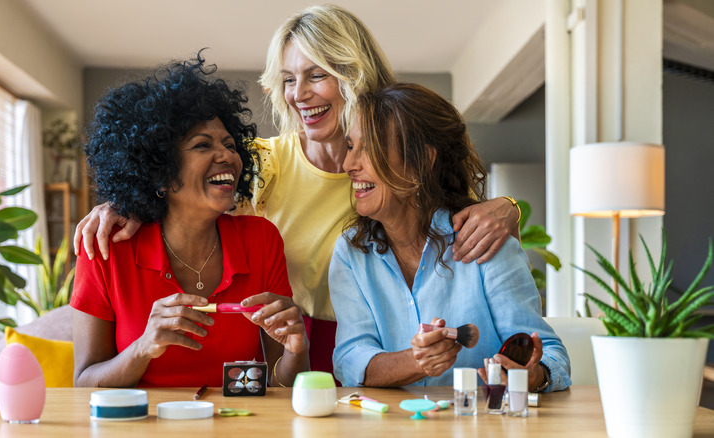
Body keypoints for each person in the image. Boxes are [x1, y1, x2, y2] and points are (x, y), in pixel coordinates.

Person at [73, 5, 521, 374]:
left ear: (355, 74)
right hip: (293, 352)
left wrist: (508, 208)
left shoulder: (391, 168)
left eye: (316, 75)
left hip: (389, 352)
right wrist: (122, 203)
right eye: (288, 79)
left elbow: (454, 220)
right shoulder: (258, 164)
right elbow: (181, 179)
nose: (298, 94)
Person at [71, 56, 309, 388]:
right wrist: (143, 347)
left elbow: (282, 382)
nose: (227, 155)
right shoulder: (106, 248)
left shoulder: (261, 239)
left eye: (229, 144)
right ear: (161, 170)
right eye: (202, 145)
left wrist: (296, 351)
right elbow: (83, 383)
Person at [330, 83, 571, 391]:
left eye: (370, 150)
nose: (348, 164)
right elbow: (351, 359)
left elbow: (550, 353)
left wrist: (533, 375)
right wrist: (418, 361)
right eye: (351, 147)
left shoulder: (487, 244)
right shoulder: (351, 253)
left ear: (421, 162)